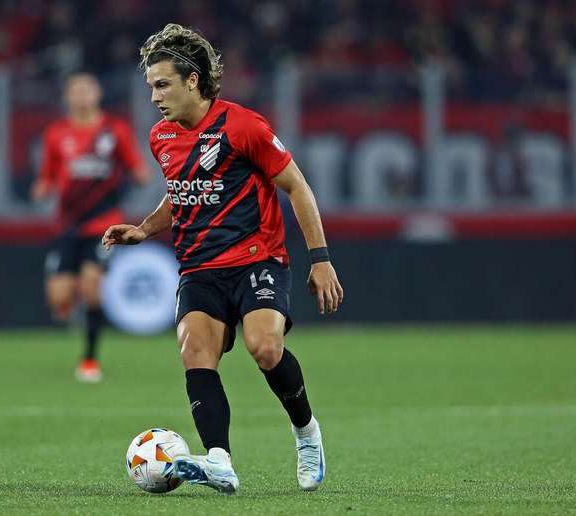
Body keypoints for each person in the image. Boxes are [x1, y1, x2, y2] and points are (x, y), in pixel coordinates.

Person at [103, 24, 343, 494]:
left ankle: (306, 433)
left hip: (257, 259)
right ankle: (219, 460)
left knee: (265, 348)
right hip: (198, 266)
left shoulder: (245, 127)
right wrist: (143, 229)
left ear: (193, 80)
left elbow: (297, 187)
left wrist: (321, 259)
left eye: (162, 84)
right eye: (150, 86)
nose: (154, 96)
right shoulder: (161, 137)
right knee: (195, 348)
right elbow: (180, 191)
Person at [32, 72, 149, 382]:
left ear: (97, 94)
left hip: (104, 224)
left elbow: (139, 170)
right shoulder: (56, 134)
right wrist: (42, 188)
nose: (82, 96)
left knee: (91, 287)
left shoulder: (115, 131)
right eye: (76, 91)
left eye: (87, 89)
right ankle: (68, 304)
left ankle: (89, 359)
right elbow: (47, 175)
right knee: (59, 297)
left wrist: (135, 177)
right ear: (67, 97)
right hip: (68, 225)